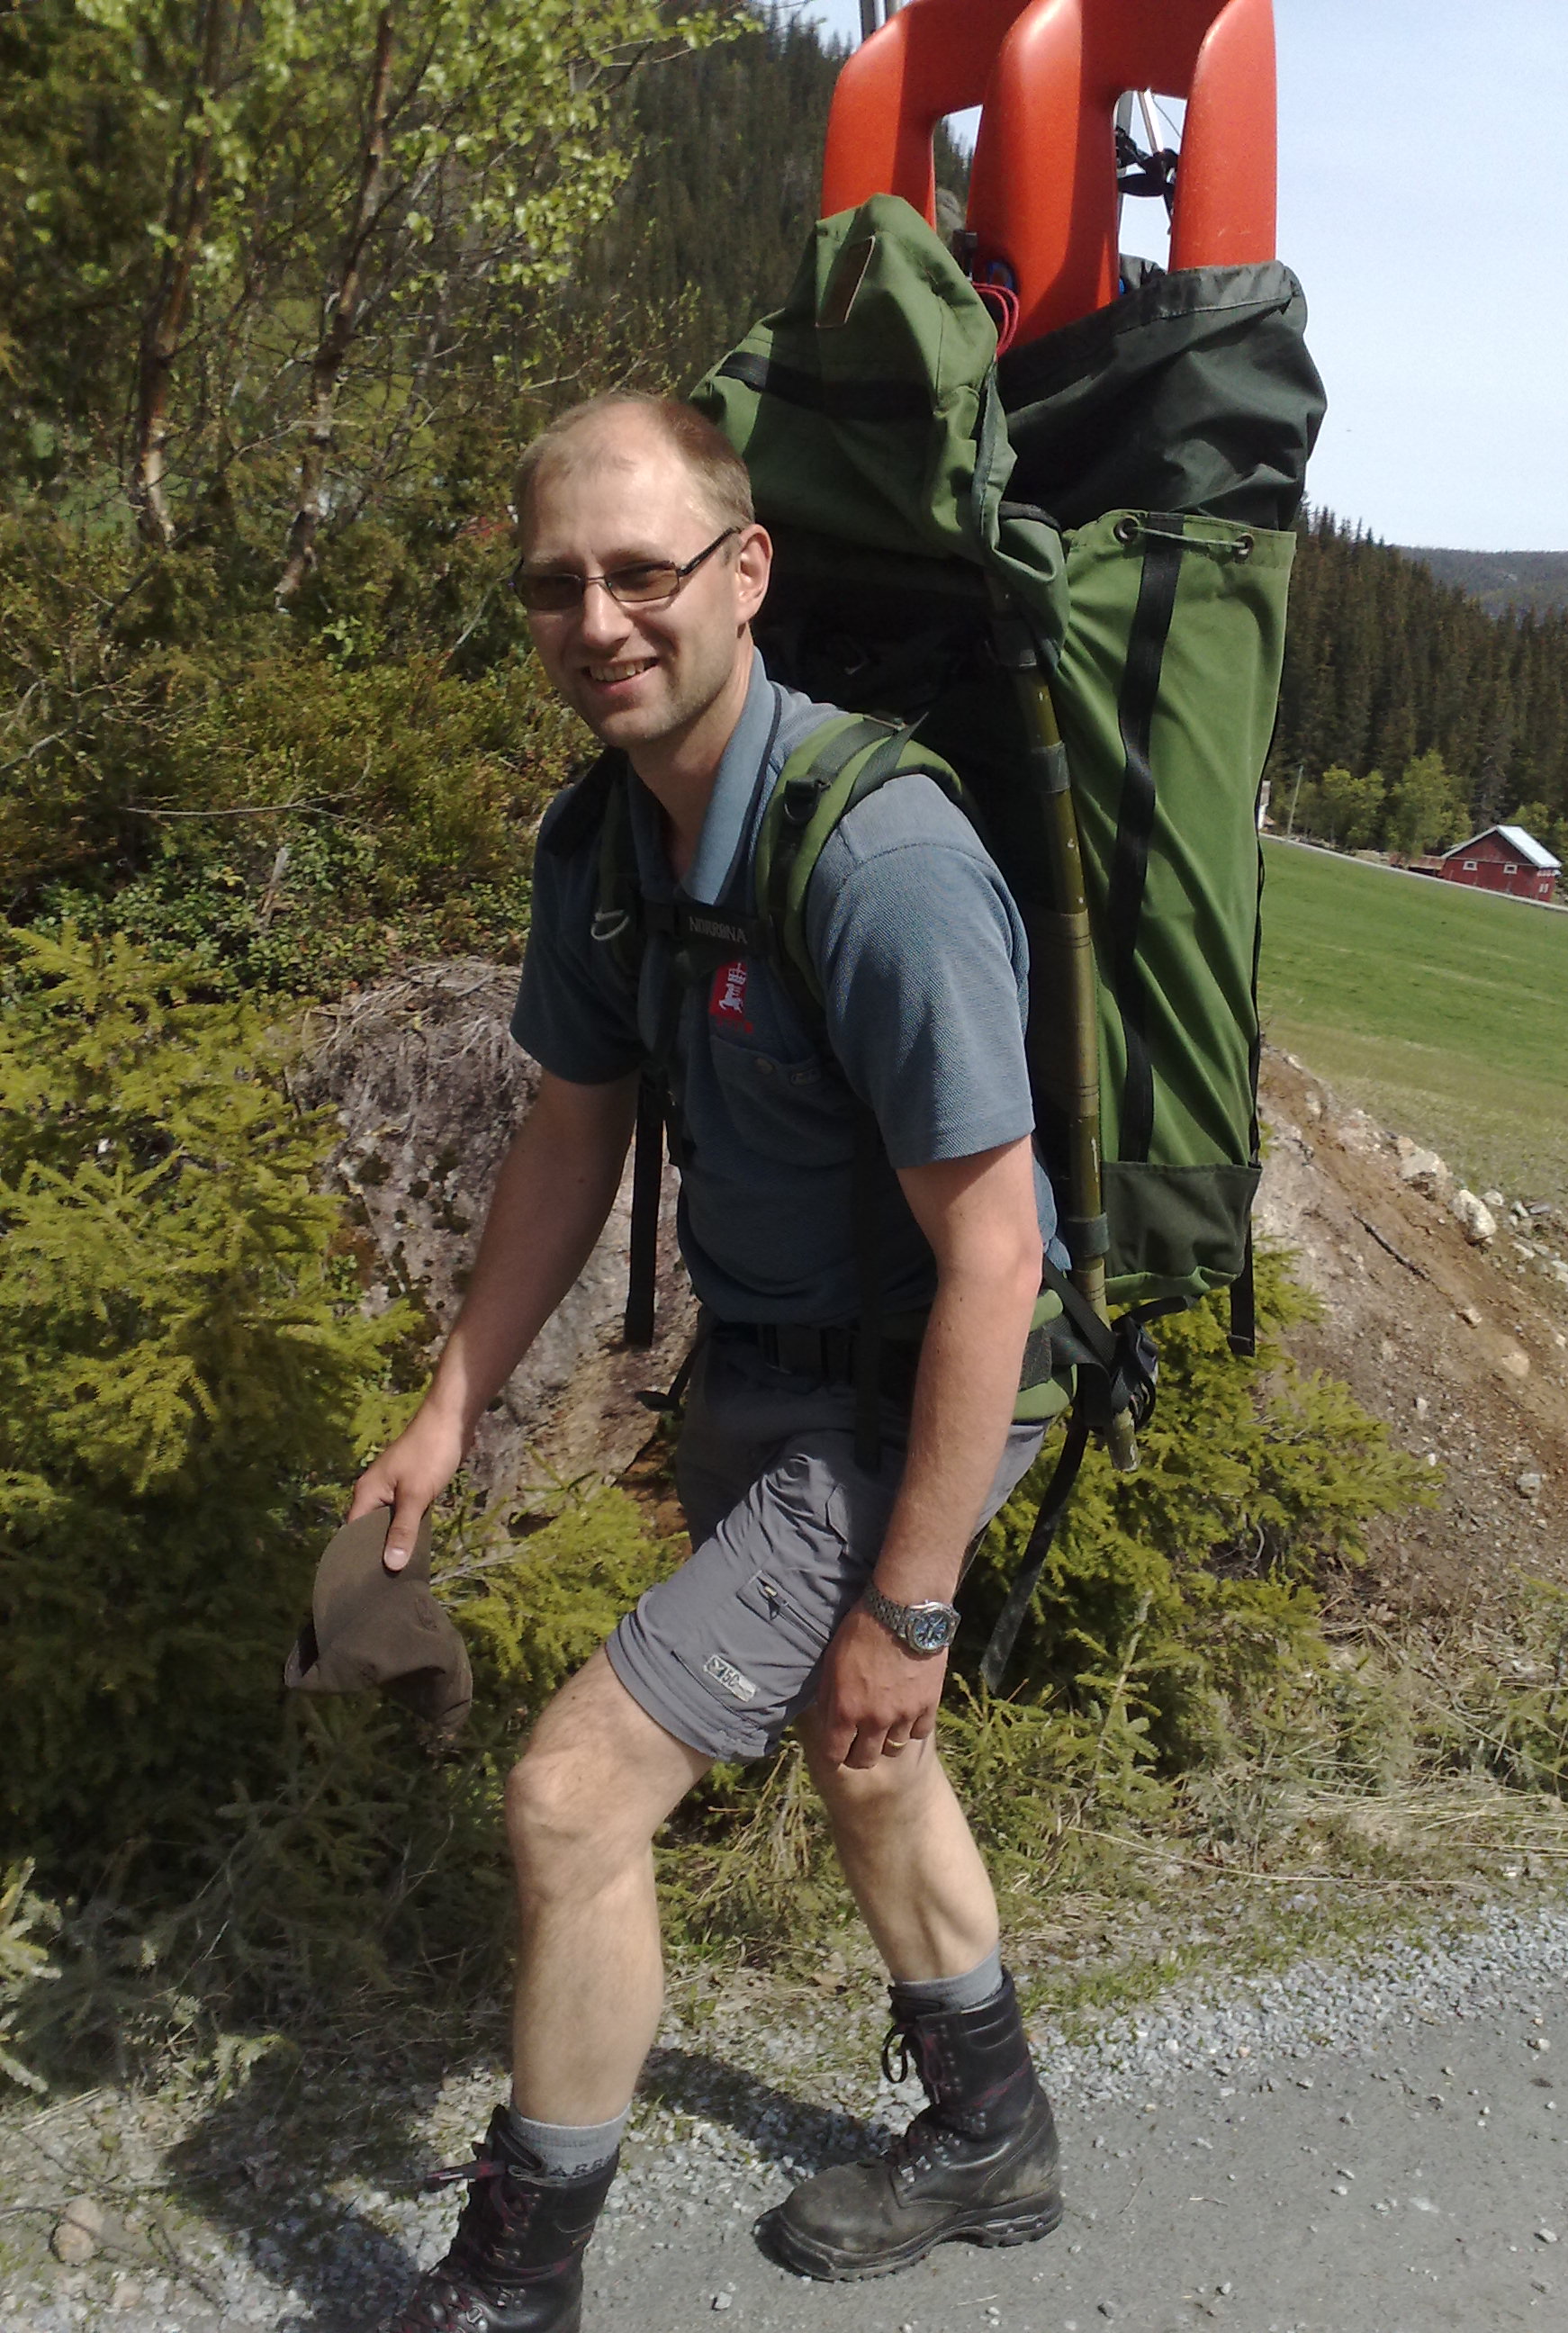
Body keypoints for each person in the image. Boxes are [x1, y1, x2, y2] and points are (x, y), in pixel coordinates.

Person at [356, 392, 1063, 2333]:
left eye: (642, 572)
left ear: (745, 576)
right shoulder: (602, 848)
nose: (599, 619)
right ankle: (993, 2125)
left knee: (575, 1801)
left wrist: (906, 1601)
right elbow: (570, 1137)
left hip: (921, 1382)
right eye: (556, 585)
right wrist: (450, 1406)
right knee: (861, 1758)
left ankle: (517, 2281)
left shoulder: (881, 857)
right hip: (767, 1369)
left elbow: (998, 1254)